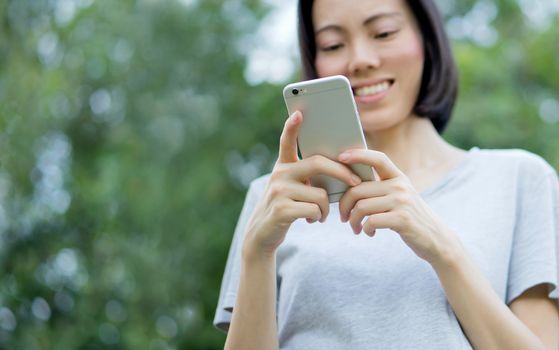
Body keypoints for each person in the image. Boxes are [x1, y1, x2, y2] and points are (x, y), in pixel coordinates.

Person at [214, 0, 559, 348]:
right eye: (333, 44)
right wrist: (256, 253)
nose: (360, 59)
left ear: (426, 38)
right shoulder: (273, 198)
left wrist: (442, 249)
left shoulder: (519, 179)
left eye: (383, 33)